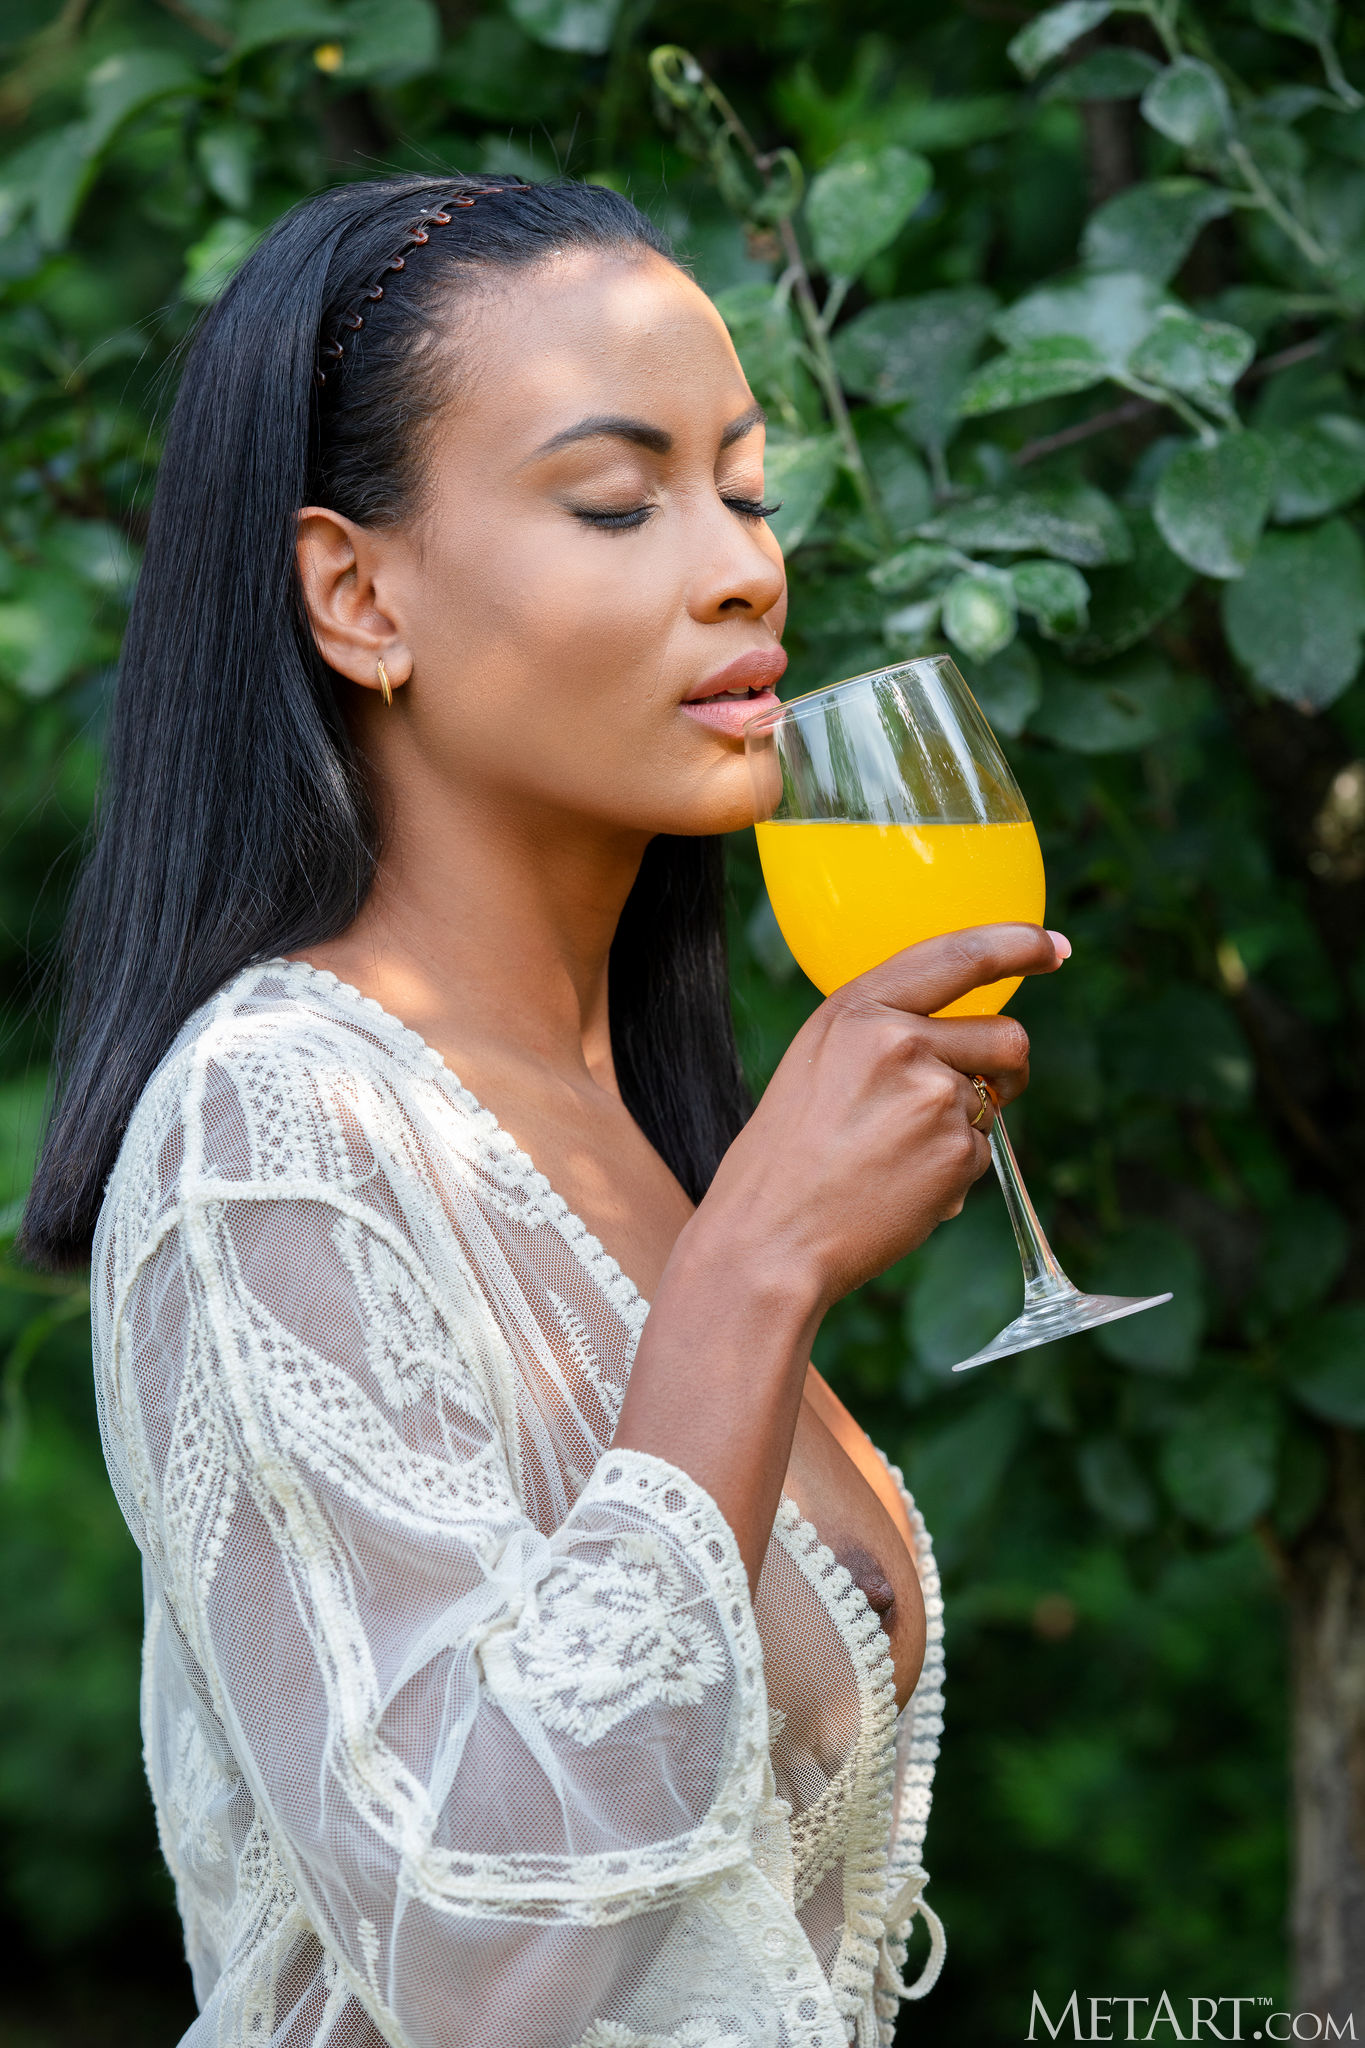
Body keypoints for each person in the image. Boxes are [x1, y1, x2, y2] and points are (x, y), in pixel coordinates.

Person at [23, 175, 1062, 2048]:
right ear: (357, 595)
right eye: (615, 501)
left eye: (746, 491)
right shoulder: (275, 1132)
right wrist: (759, 1262)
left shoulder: (612, 1116)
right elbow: (472, 1946)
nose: (743, 568)